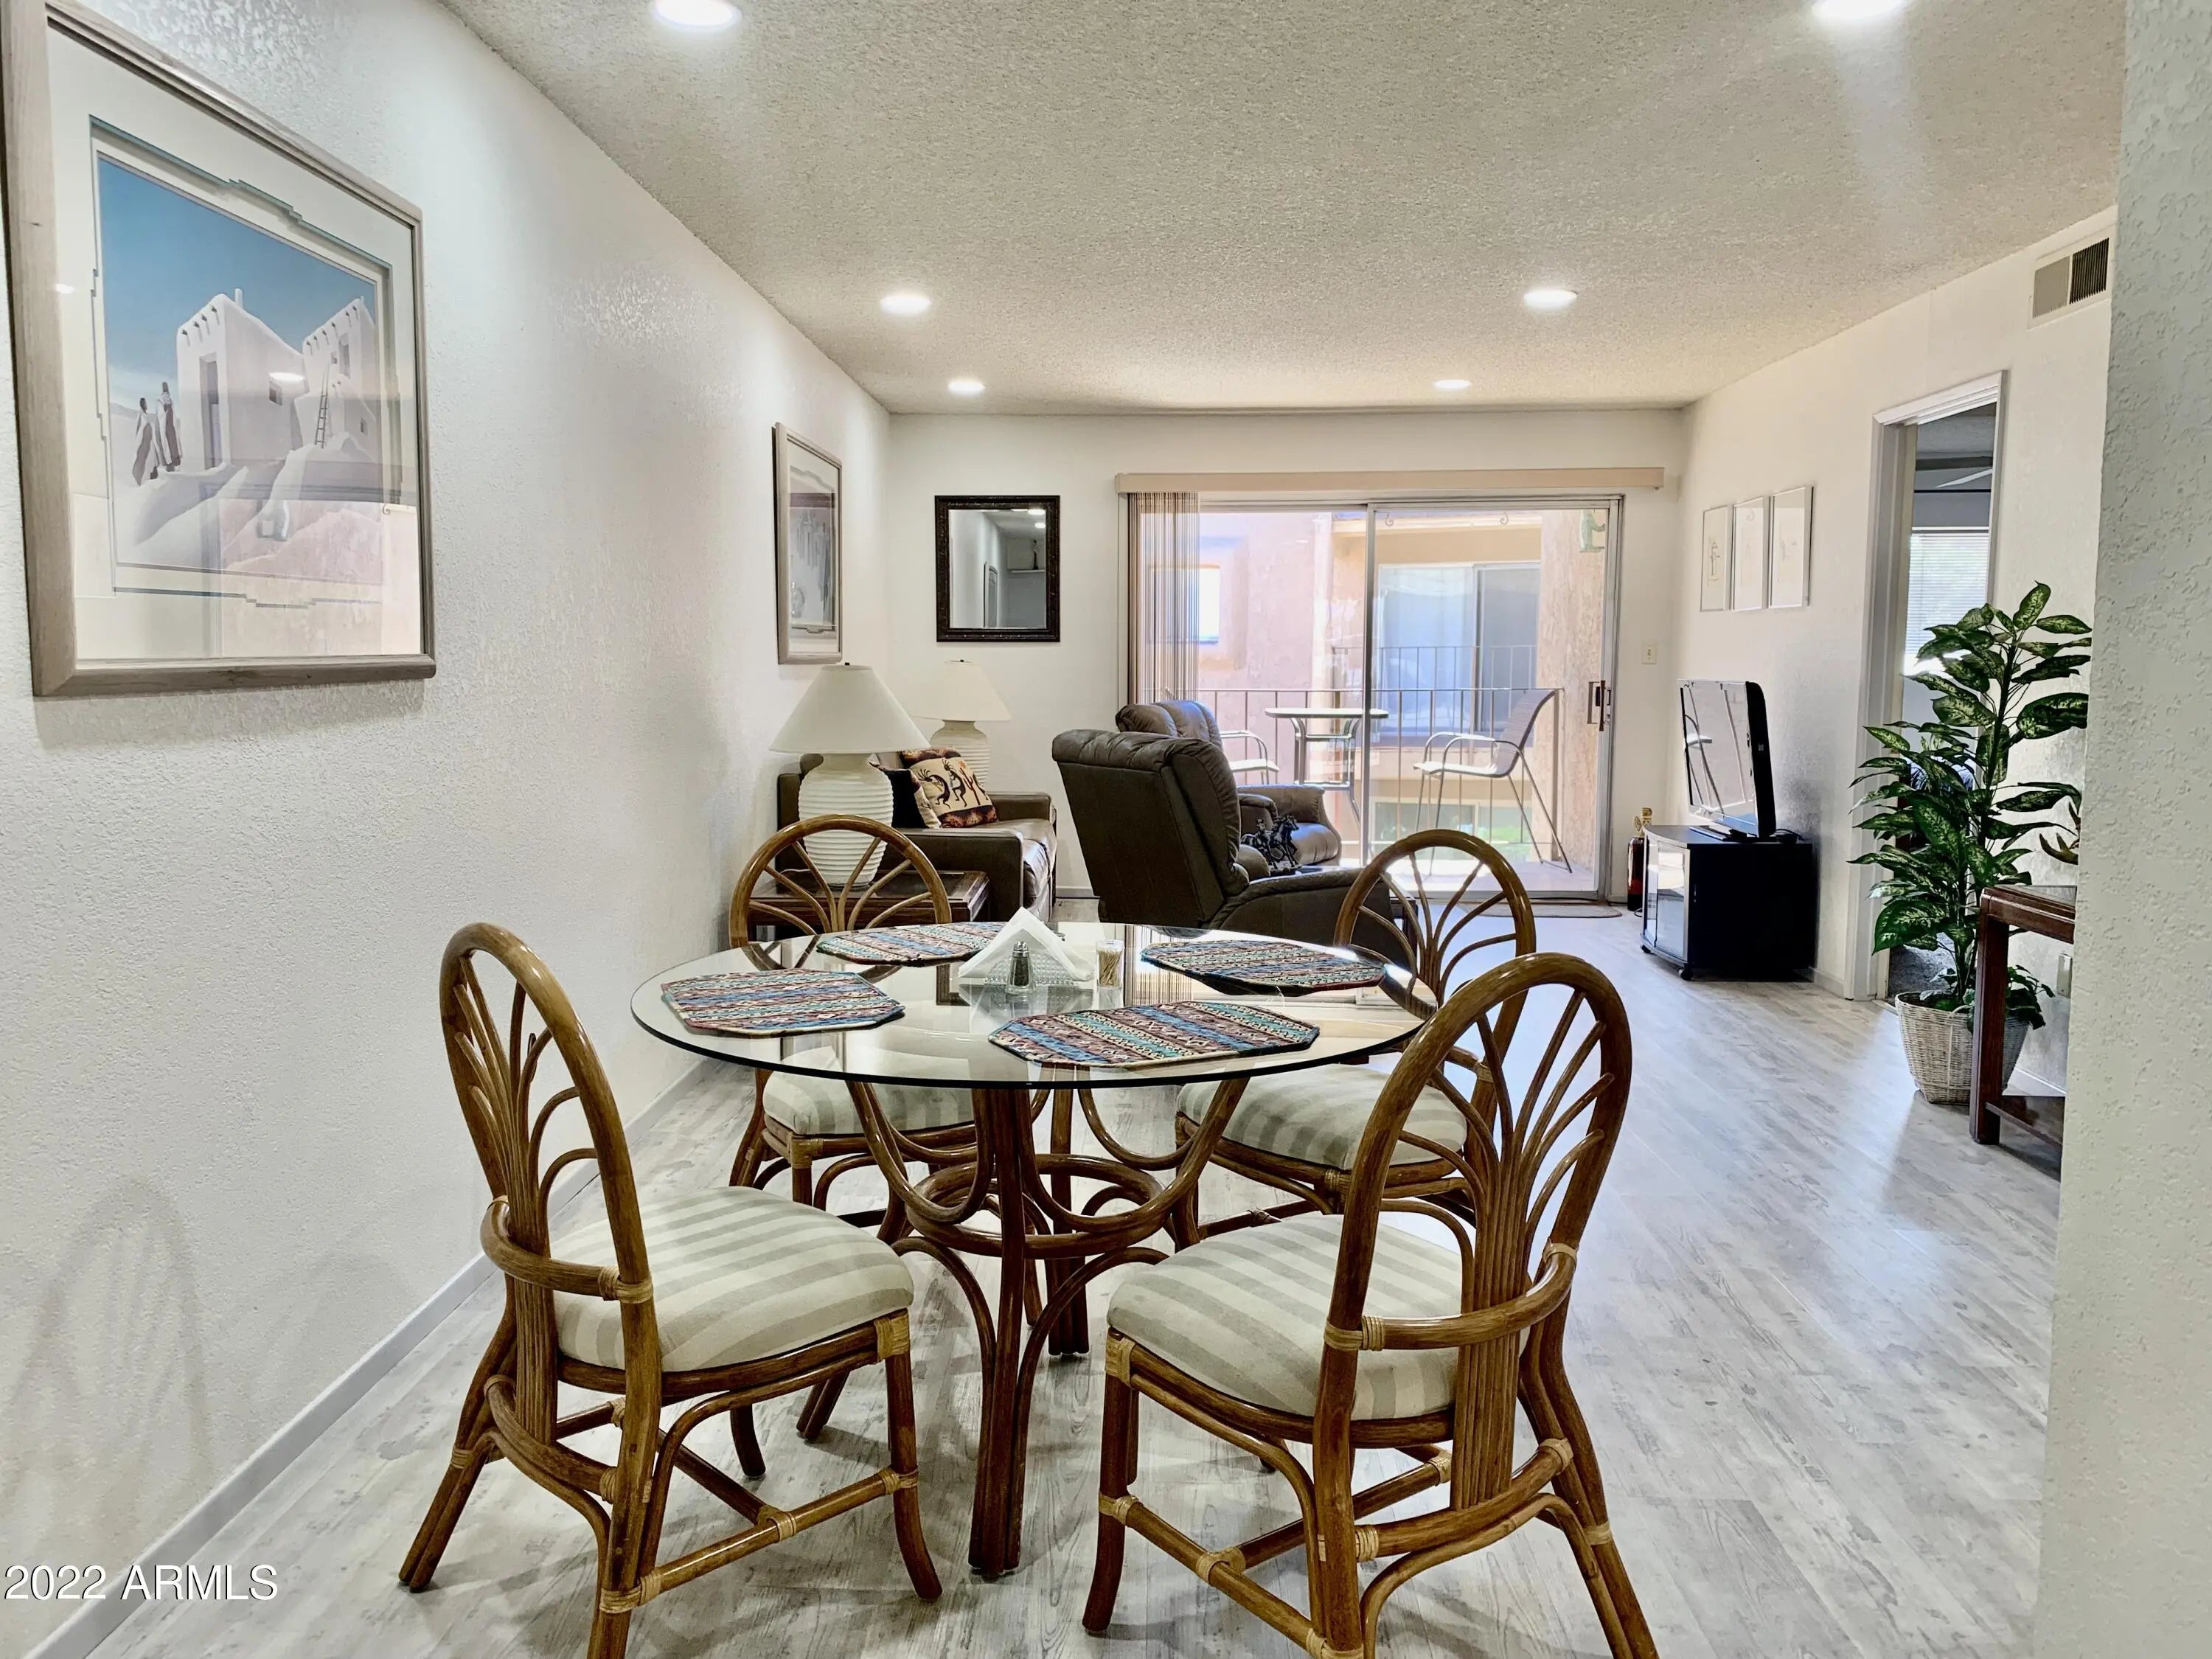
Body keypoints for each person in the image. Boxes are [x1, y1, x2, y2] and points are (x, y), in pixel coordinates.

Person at [129, 397, 157, 485]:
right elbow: (139, 430)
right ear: (143, 405)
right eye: (145, 404)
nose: (147, 405)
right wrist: (139, 445)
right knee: (141, 462)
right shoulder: (141, 416)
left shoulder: (144, 415)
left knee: (148, 462)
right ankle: (138, 480)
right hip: (143, 444)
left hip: (147, 443)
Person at [156, 380, 181, 472]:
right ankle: (174, 462)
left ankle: (170, 464)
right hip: (171, 425)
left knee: (166, 443)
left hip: (165, 425)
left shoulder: (160, 400)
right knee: (172, 442)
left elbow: (161, 415)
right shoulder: (170, 400)